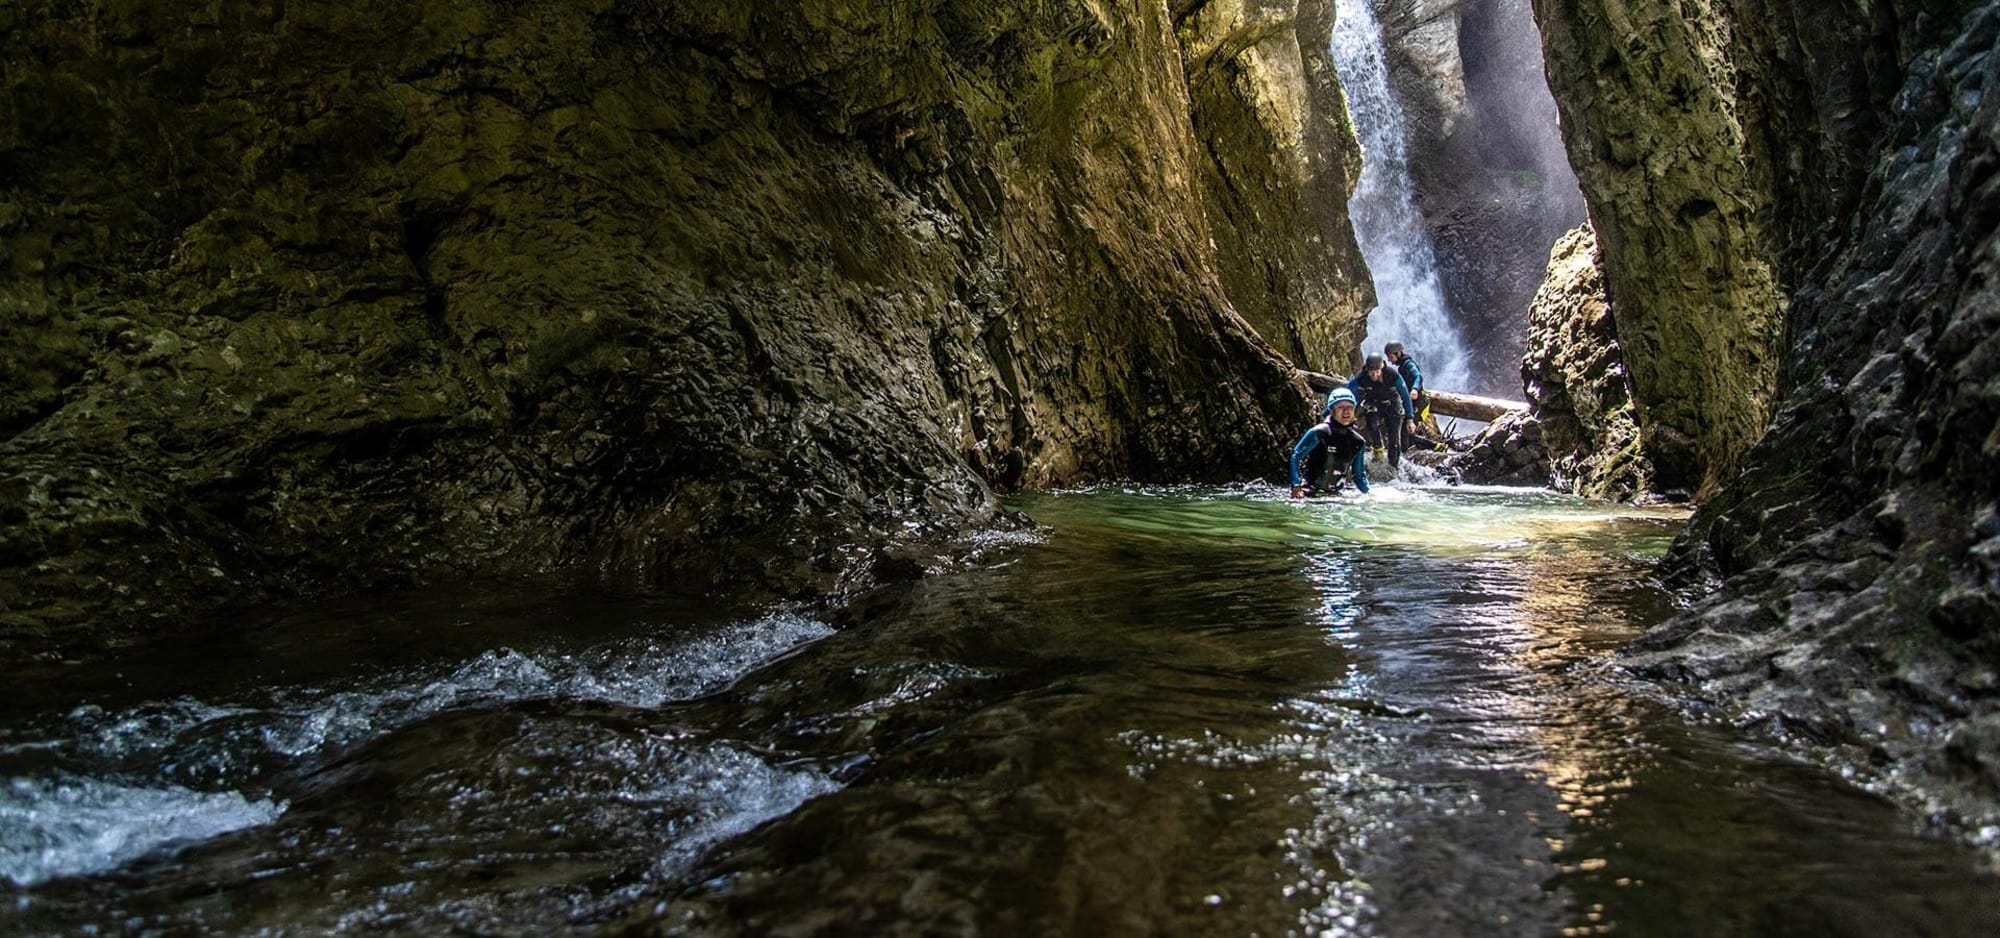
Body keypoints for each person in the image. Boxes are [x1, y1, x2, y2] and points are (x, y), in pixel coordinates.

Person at [1290, 389, 1370, 497]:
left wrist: (1369, 495)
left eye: (1350, 407)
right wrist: (1296, 486)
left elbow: (1359, 476)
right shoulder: (1319, 432)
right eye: (1340, 407)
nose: (1346, 411)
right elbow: (1296, 457)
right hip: (1309, 493)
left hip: (1335, 496)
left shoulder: (1358, 442)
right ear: (1332, 411)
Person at [1345, 354, 1416, 469]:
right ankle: (1377, 449)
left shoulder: (1392, 374)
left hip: (1392, 402)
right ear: (1367, 370)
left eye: (1377, 372)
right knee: (1372, 424)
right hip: (1373, 402)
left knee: (1394, 438)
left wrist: (1410, 419)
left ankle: (1393, 466)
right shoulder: (1361, 377)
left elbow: (1405, 396)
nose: (1374, 375)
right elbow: (1347, 392)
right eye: (1371, 372)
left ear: (1381, 369)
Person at [1385, 342, 1426, 421]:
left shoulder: (1409, 365)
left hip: (1418, 401)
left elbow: (1418, 376)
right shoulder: (1402, 366)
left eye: (1391, 357)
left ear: (1398, 353)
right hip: (1410, 400)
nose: (1389, 360)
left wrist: (1415, 389)